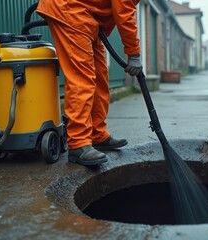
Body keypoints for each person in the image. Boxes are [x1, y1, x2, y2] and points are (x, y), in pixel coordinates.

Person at [37, 0, 142, 166]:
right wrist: (133, 52)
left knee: (100, 76)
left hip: (88, 17)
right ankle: (78, 143)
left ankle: (96, 134)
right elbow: (124, 11)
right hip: (70, 10)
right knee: (82, 78)